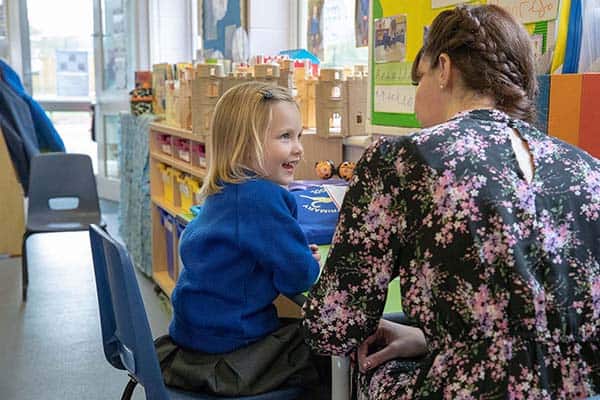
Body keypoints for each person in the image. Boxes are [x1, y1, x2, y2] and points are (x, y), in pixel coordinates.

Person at [303, 4, 600, 399]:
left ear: (444, 69)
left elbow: (335, 324)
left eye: (418, 79)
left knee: (367, 361)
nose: (415, 104)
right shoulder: (588, 170)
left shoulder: (401, 160)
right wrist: (431, 337)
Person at [155, 82, 322, 397]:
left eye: (299, 135)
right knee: (330, 348)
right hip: (233, 352)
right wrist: (305, 261)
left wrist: (292, 254)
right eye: (285, 137)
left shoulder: (223, 191)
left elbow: (242, 258)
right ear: (244, 145)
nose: (298, 148)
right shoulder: (261, 196)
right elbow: (299, 277)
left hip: (193, 339)